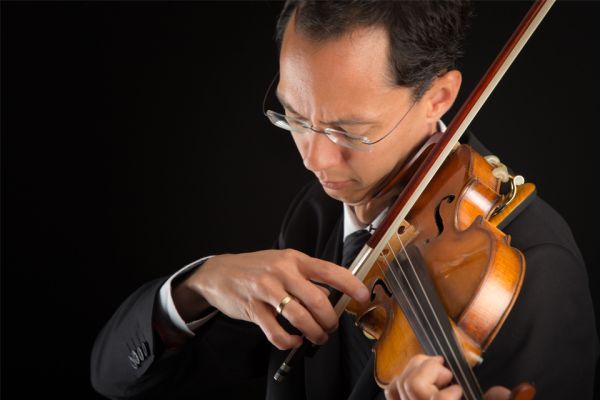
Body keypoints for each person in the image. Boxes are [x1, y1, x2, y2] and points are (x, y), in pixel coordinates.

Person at [91, 1, 598, 399]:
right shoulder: (319, 212)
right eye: (295, 117)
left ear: (438, 99)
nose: (315, 160)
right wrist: (200, 284)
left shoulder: (534, 270)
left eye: (348, 131)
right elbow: (115, 377)